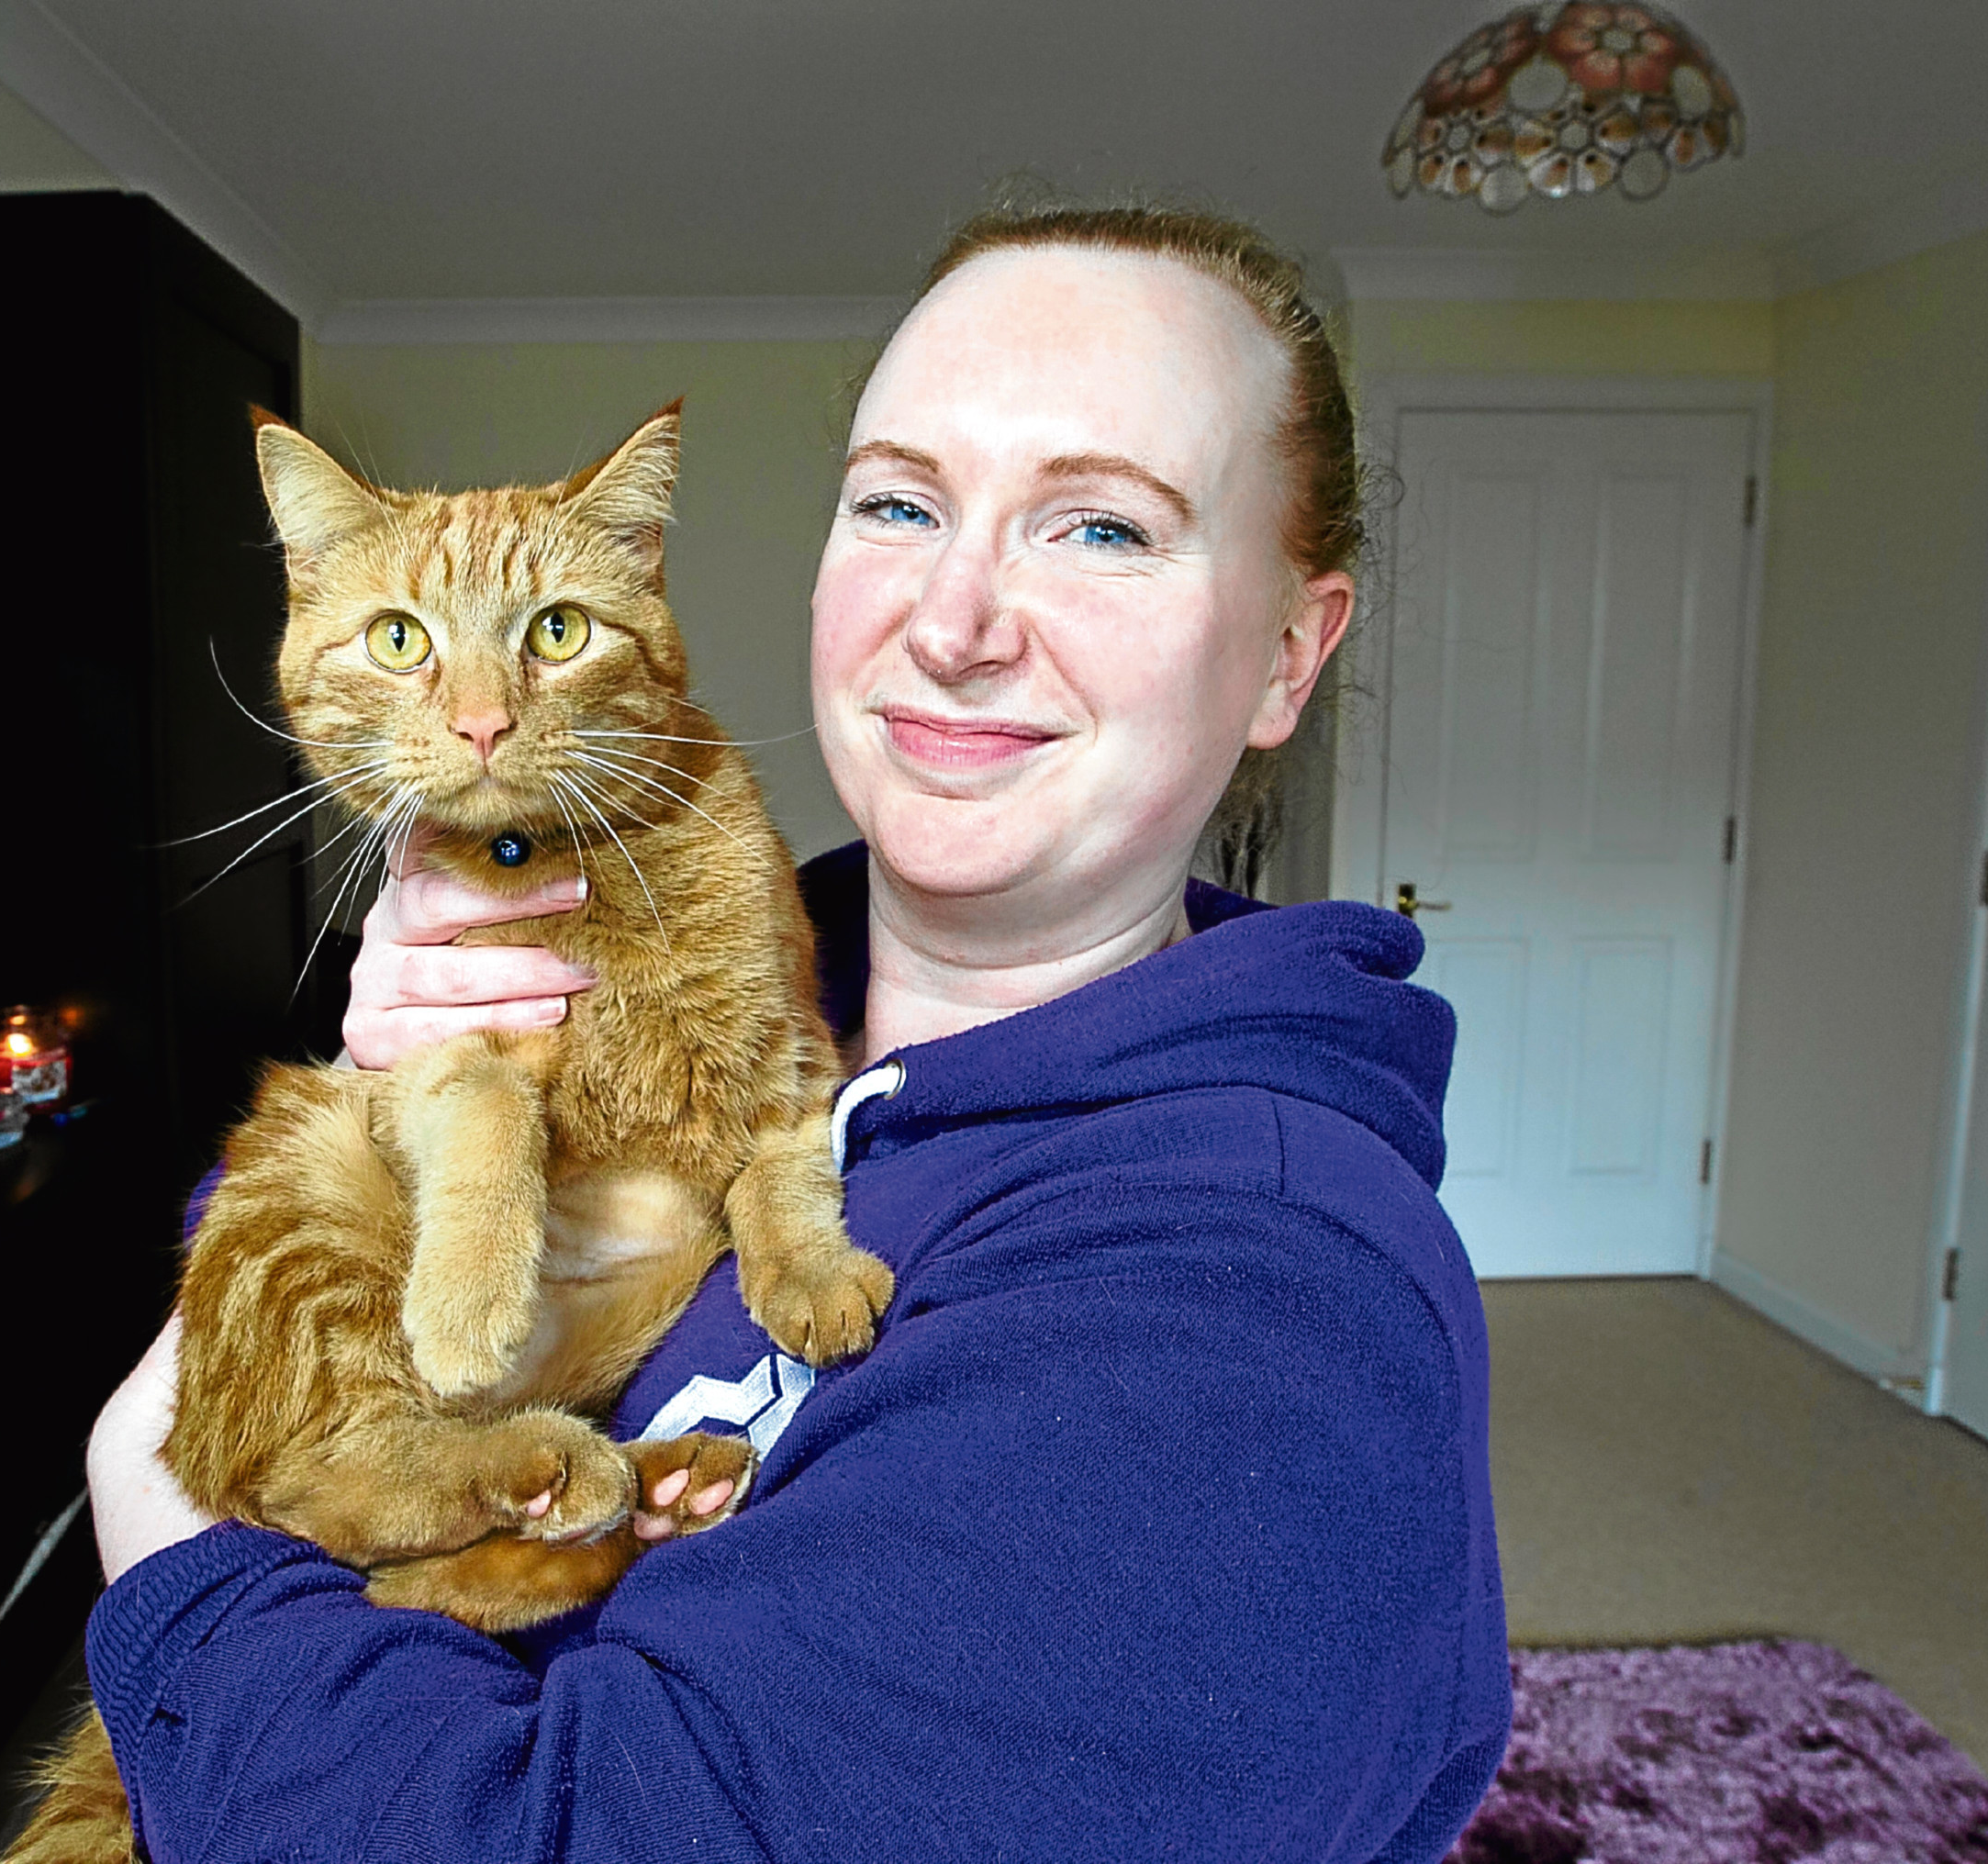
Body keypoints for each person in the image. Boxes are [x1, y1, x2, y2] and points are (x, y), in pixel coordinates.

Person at [77, 204, 1510, 1863]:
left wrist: (164, 1517)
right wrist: (374, 1098)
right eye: (899, 502)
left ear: (1285, 655)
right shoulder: (681, 933)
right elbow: (281, 1316)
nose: (957, 620)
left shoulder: (1257, 1314)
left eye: (1102, 529)